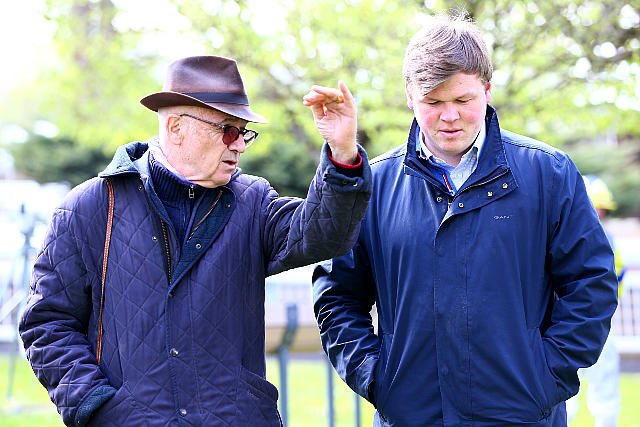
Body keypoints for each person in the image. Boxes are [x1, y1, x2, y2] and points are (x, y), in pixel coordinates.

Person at [19, 55, 371, 426]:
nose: (239, 145)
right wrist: (96, 406)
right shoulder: (88, 207)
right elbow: (46, 323)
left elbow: (322, 234)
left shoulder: (253, 201)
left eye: (244, 133)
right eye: (228, 130)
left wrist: (342, 153)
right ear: (176, 128)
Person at [312, 11, 618, 426]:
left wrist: (545, 377)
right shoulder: (374, 186)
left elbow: (591, 284)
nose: (449, 116)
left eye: (463, 100)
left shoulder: (549, 173)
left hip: (522, 415)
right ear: (409, 95)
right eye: (433, 102)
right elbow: (337, 296)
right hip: (412, 416)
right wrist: (377, 378)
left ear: (487, 90)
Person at [566, 175, 627, 427]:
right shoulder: (566, 238)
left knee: (603, 391)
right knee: (566, 391)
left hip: (596, 324)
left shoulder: (601, 239)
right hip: (570, 324)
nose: (598, 214)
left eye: (602, 210)